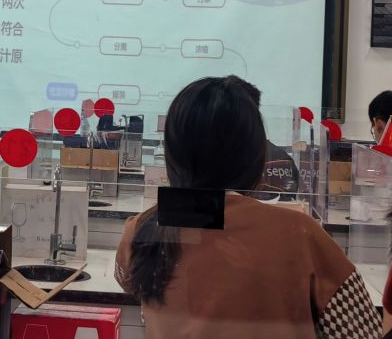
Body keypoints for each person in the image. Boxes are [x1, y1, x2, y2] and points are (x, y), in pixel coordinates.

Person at [115, 75, 380, 338]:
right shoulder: (299, 233)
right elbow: (362, 331)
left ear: (173, 149)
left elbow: (131, 286)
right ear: (254, 151)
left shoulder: (142, 229)